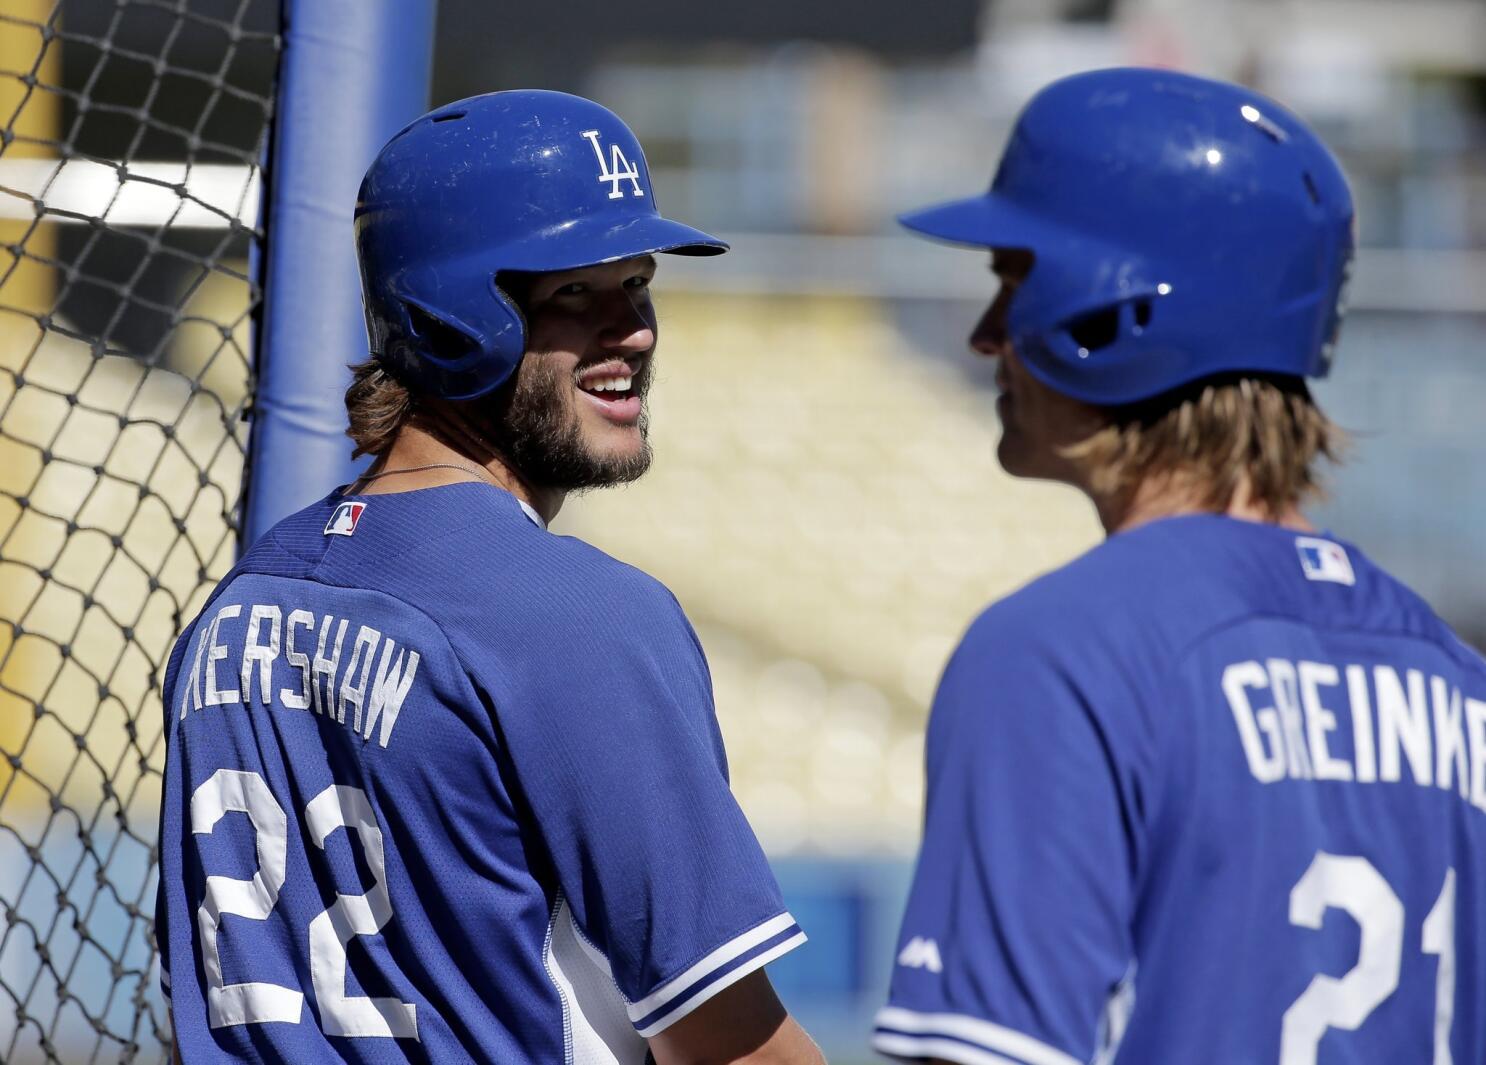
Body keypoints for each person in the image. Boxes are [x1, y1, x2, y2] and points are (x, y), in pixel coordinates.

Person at [155, 90, 823, 1065]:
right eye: (574, 296)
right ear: (455, 319)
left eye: (636, 284)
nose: (632, 329)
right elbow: (729, 1045)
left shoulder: (244, 600)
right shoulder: (575, 617)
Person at [875, 68, 1485, 1065]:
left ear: (1113, 312)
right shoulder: (1457, 681)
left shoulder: (1060, 654)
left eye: (1013, 277)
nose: (987, 333)